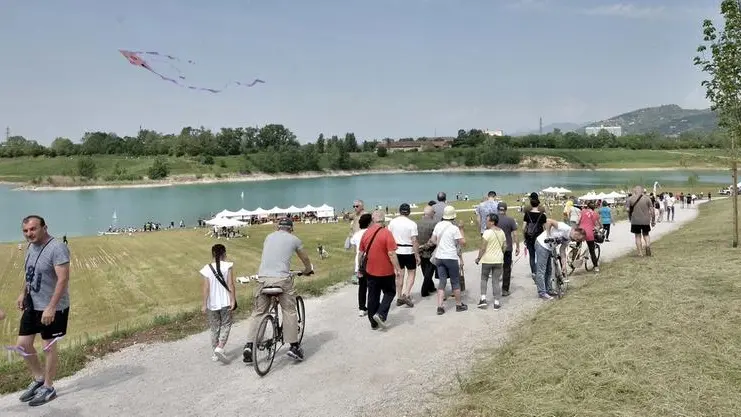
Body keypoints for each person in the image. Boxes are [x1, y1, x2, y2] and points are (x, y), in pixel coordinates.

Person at [15, 215, 71, 407]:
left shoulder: (57, 248)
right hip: (33, 304)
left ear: (44, 228)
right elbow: (30, 273)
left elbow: (63, 279)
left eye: (33, 229)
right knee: (23, 345)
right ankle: (39, 378)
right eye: (25, 231)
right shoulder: (31, 247)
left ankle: (48, 387)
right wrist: (23, 293)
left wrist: (52, 307)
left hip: (52, 307)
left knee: (48, 347)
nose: (29, 234)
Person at [242, 218, 313, 363]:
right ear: (291, 229)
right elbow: (304, 257)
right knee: (289, 310)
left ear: (277, 227)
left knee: (259, 312)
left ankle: (249, 345)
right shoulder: (294, 239)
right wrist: (308, 269)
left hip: (262, 279)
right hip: (281, 279)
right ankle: (294, 346)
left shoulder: (268, 237)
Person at [359, 210, 401, 330]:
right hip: (386, 270)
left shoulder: (366, 233)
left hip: (370, 270)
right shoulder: (387, 233)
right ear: (383, 221)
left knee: (373, 295)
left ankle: (373, 322)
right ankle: (381, 314)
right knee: (390, 292)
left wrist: (359, 268)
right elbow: (392, 253)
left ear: (373, 220)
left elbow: (361, 253)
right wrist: (398, 269)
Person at [199, 244, 236, 363]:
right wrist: (233, 299)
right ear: (224, 254)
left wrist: (204, 304)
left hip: (212, 303)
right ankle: (220, 347)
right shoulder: (228, 266)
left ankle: (215, 351)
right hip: (225, 301)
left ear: (213, 254)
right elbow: (230, 284)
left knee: (214, 327)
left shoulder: (207, 268)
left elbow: (206, 288)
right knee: (226, 324)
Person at [428, 206, 468, 314]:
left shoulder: (438, 225)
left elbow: (432, 240)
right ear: (453, 217)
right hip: (450, 257)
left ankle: (440, 306)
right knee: (455, 281)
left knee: (442, 281)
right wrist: (462, 229)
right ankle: (458, 304)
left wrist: (440, 245)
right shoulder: (454, 228)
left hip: (439, 257)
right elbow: (463, 242)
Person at [534, 219, 586, 300]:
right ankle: (542, 292)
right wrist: (548, 235)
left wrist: (564, 265)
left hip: (549, 248)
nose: (576, 241)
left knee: (549, 270)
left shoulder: (568, 238)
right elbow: (548, 221)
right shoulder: (565, 228)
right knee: (541, 270)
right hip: (542, 245)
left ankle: (549, 289)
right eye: (578, 239)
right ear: (576, 233)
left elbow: (562, 251)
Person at [387, 203, 420, 308]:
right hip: (409, 250)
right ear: (409, 212)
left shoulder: (392, 222)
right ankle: (407, 294)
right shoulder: (412, 224)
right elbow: (414, 241)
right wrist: (417, 255)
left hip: (397, 251)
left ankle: (399, 296)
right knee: (411, 273)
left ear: (399, 211)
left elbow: (389, 237)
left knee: (399, 274)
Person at [475, 213, 506, 309]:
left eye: (487, 220)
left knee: (484, 278)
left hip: (488, 259)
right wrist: (501, 254)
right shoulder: (502, 232)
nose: (486, 222)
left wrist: (478, 258)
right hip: (498, 259)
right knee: (496, 281)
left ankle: (483, 299)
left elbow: (483, 247)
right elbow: (505, 246)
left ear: (492, 222)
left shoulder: (487, 232)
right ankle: (496, 302)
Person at [350, 213, 372, 316]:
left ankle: (362, 308)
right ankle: (372, 305)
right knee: (372, 286)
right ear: (369, 223)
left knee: (362, 286)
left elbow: (355, 250)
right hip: (371, 261)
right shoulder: (371, 232)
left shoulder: (356, 235)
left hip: (360, 262)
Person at [496, 202, 519, 296]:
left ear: (498, 209)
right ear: (506, 210)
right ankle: (505, 289)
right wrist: (517, 246)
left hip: (496, 247)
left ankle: (495, 289)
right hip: (508, 247)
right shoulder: (510, 220)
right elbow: (515, 234)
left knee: (496, 268)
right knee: (506, 268)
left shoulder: (493, 219)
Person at [416, 206, 439, 297]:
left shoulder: (417, 223)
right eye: (434, 212)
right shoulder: (435, 223)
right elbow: (434, 239)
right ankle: (424, 290)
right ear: (431, 213)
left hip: (420, 250)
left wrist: (419, 248)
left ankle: (431, 287)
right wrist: (426, 246)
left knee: (424, 270)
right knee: (429, 272)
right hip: (430, 251)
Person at [522, 198, 547, 278]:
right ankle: (540, 271)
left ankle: (533, 272)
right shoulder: (542, 215)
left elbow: (523, 228)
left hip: (530, 237)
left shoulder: (527, 214)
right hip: (540, 238)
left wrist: (525, 236)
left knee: (532, 255)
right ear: (538, 204)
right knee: (539, 255)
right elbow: (545, 228)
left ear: (531, 204)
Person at [628, 186, 656, 256]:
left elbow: (628, 210)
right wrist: (653, 220)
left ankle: (640, 253)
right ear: (642, 191)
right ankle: (647, 245)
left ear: (634, 191)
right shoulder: (647, 198)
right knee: (646, 234)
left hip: (635, 221)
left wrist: (629, 218)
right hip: (645, 220)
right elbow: (652, 210)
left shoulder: (630, 199)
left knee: (637, 236)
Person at [577, 201, 601, 272]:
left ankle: (574, 258)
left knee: (578, 244)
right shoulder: (596, 214)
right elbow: (597, 225)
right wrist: (599, 228)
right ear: (594, 208)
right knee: (592, 251)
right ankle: (596, 267)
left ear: (587, 206)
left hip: (581, 231)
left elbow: (577, 221)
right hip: (589, 233)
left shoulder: (583, 211)